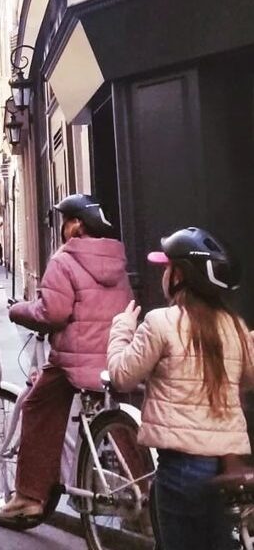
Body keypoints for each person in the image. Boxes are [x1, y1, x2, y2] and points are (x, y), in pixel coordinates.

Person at [108, 227, 254, 550]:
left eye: (167, 268)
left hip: (180, 469)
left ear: (180, 276)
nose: (163, 274)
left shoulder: (160, 323)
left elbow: (121, 376)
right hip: (227, 467)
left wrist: (121, 329)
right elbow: (248, 378)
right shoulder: (236, 327)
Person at [0, 193, 133, 520]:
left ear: (75, 224)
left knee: (37, 405)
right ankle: (140, 497)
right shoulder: (116, 259)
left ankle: (29, 496)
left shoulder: (65, 259)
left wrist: (18, 311)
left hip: (75, 361)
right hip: (115, 357)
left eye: (65, 221)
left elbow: (53, 313)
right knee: (121, 422)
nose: (62, 227)